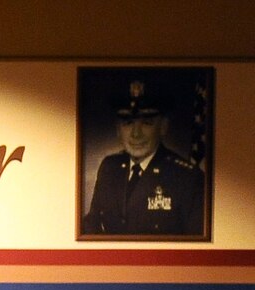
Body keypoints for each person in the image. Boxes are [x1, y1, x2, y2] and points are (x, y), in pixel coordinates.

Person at [82, 78, 206, 237]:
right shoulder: (109, 167)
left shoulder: (187, 179)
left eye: (147, 123)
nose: (135, 134)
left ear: (163, 127)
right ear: (118, 129)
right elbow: (92, 225)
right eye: (127, 123)